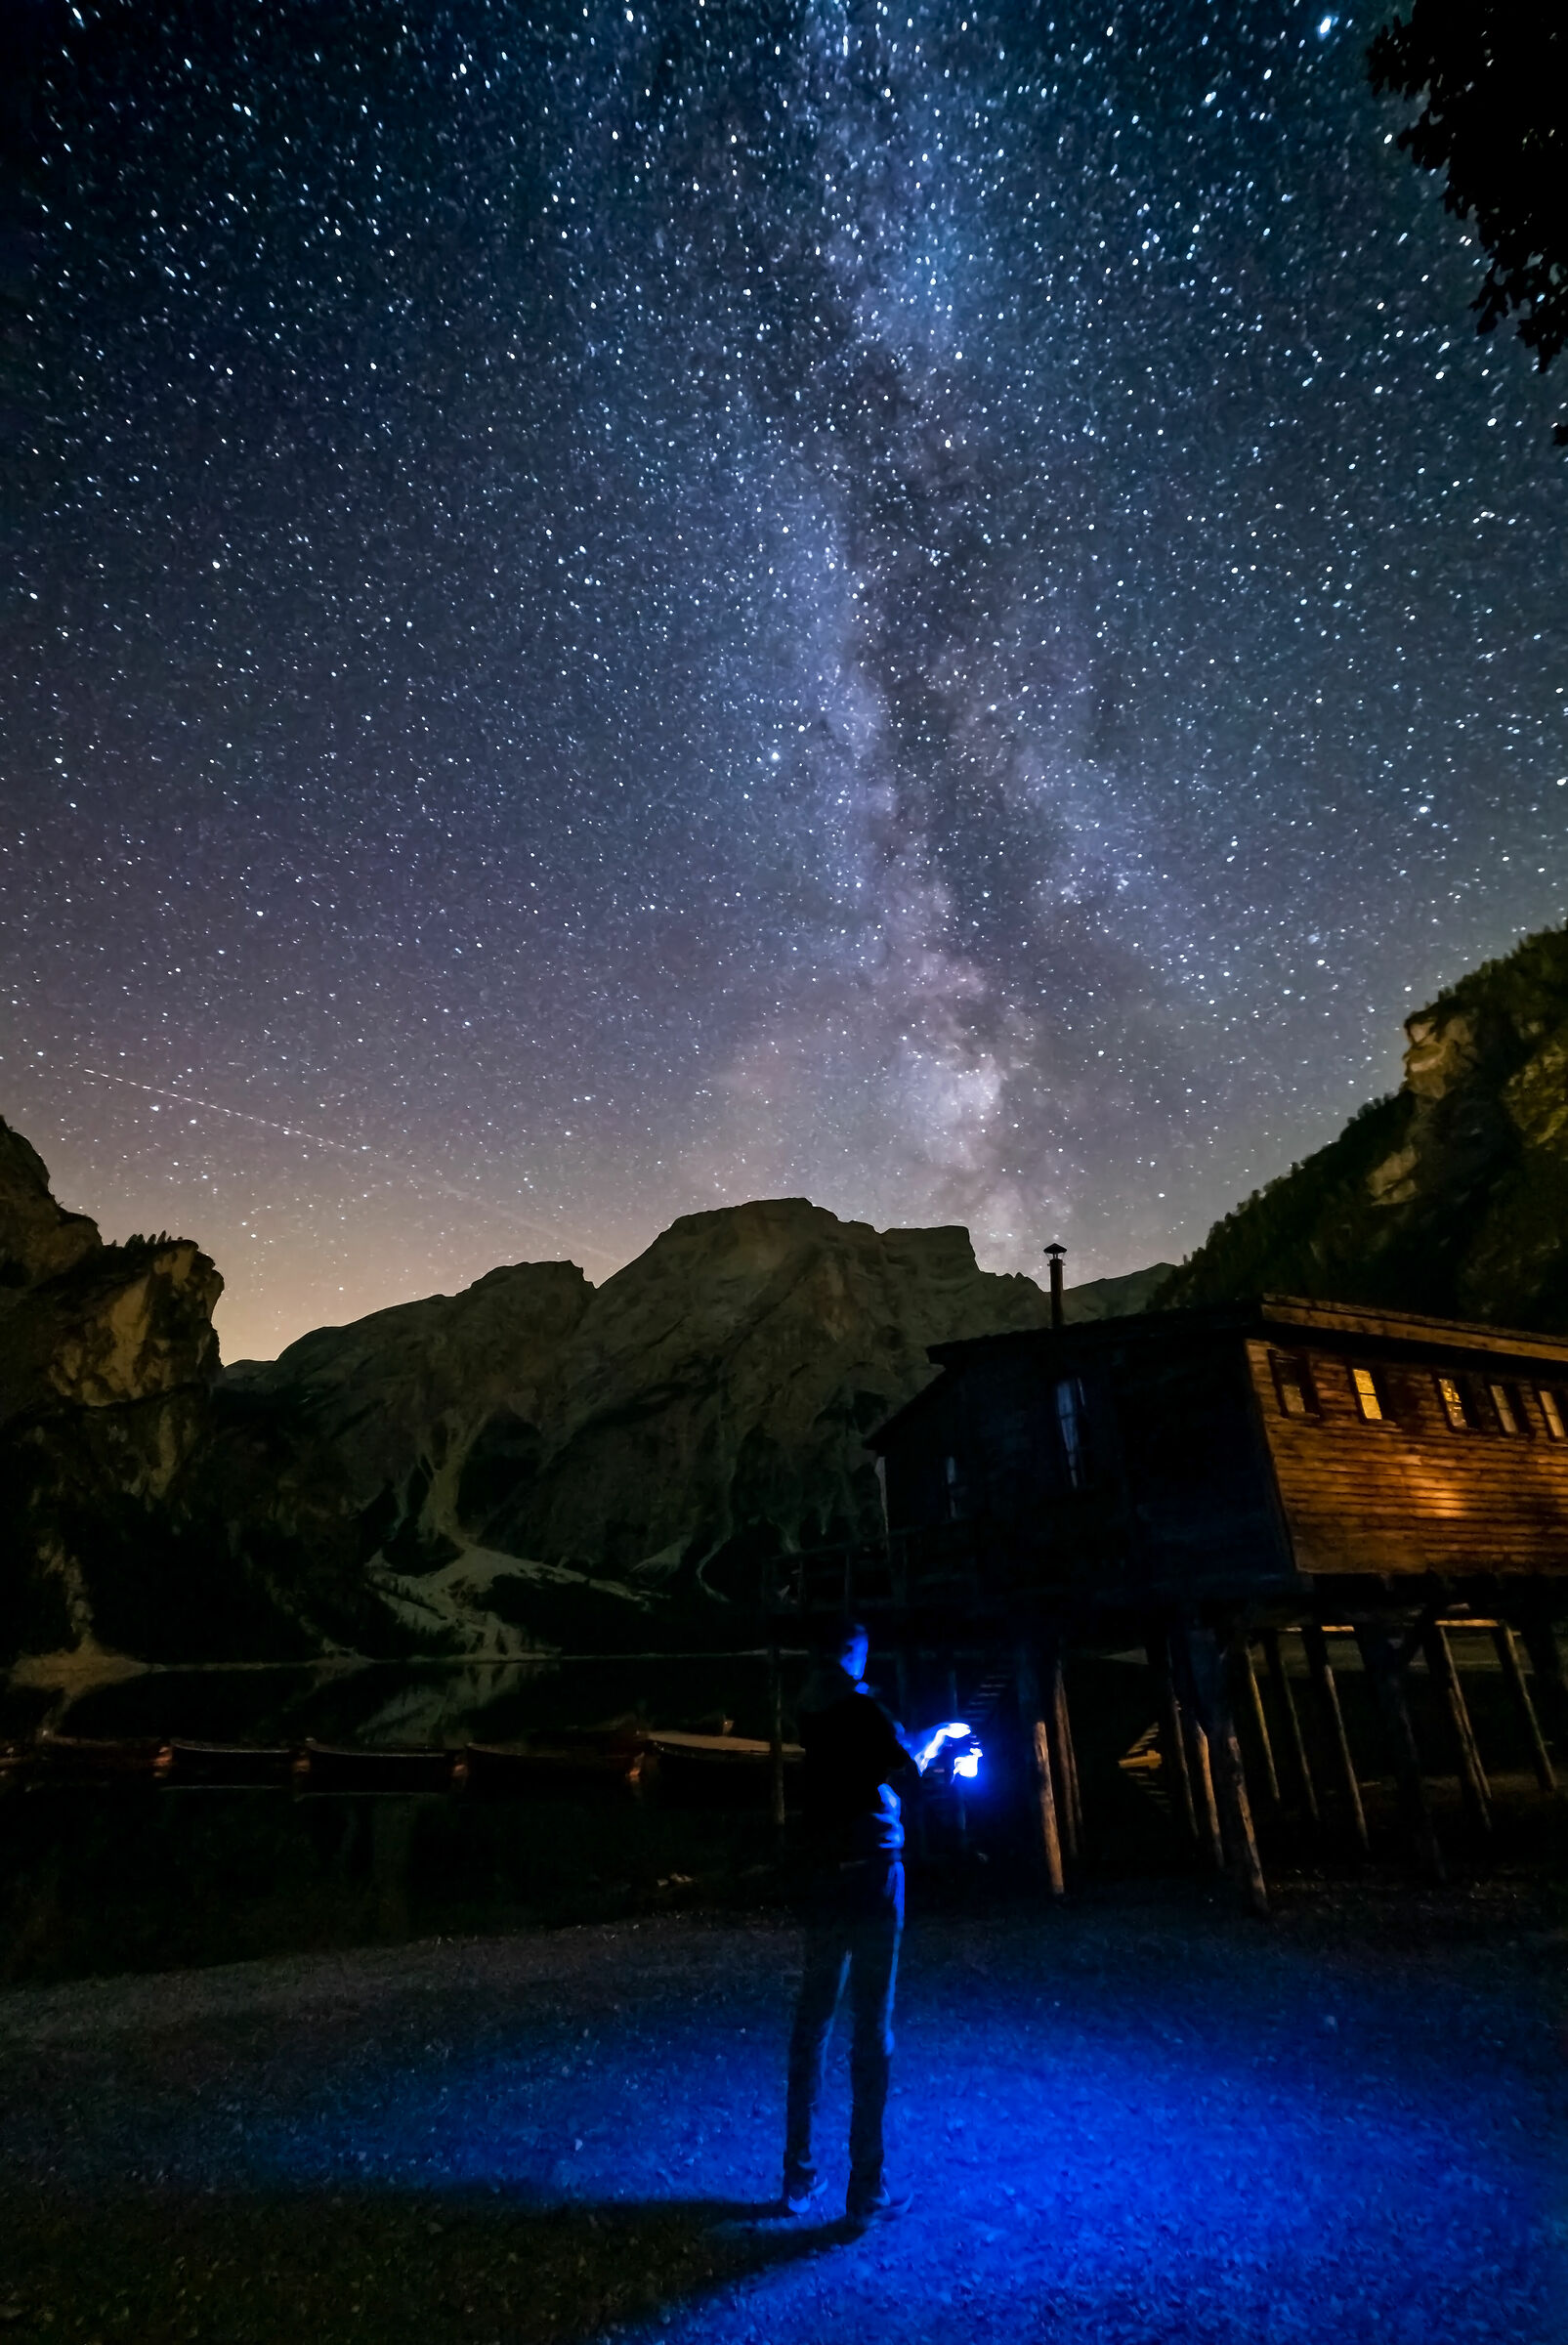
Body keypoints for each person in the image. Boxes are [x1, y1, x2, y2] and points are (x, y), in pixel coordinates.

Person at [782, 1621, 973, 2225]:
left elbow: (874, 1758)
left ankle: (798, 2175)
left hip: (822, 1872)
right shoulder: (861, 1708)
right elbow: (906, 1770)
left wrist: (918, 1740)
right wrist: (938, 1738)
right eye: (862, 1652)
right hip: (872, 1871)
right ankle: (866, 2188)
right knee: (872, 2028)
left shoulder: (808, 1706)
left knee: (813, 2020)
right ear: (850, 1653)